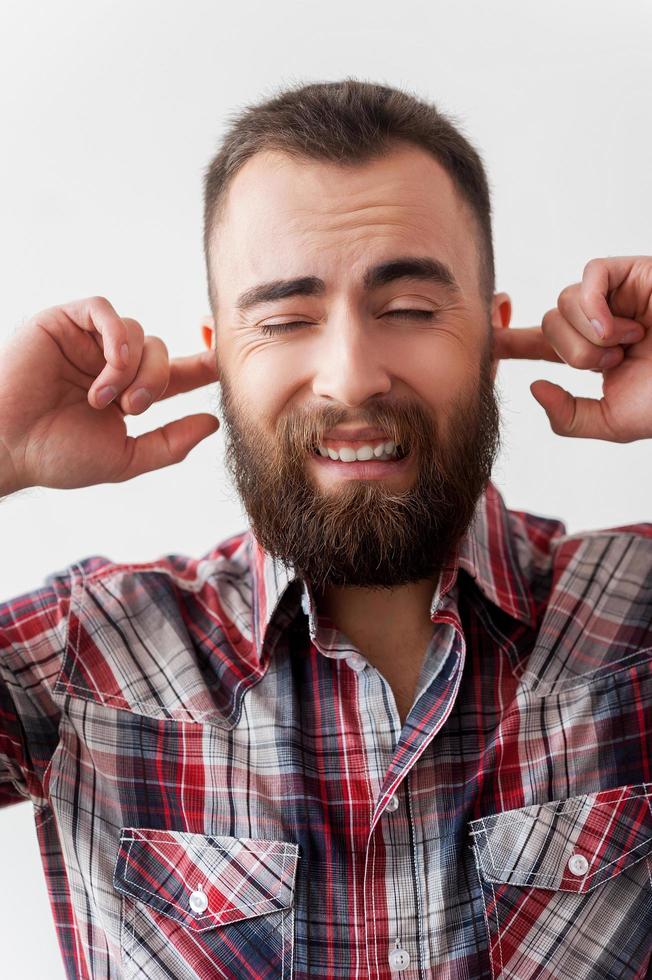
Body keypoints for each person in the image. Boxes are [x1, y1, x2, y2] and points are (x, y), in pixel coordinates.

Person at [0, 78, 650, 980]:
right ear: (220, 354)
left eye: (412, 310)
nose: (350, 377)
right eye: (285, 320)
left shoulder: (638, 619)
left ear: (494, 337)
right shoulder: (87, 657)